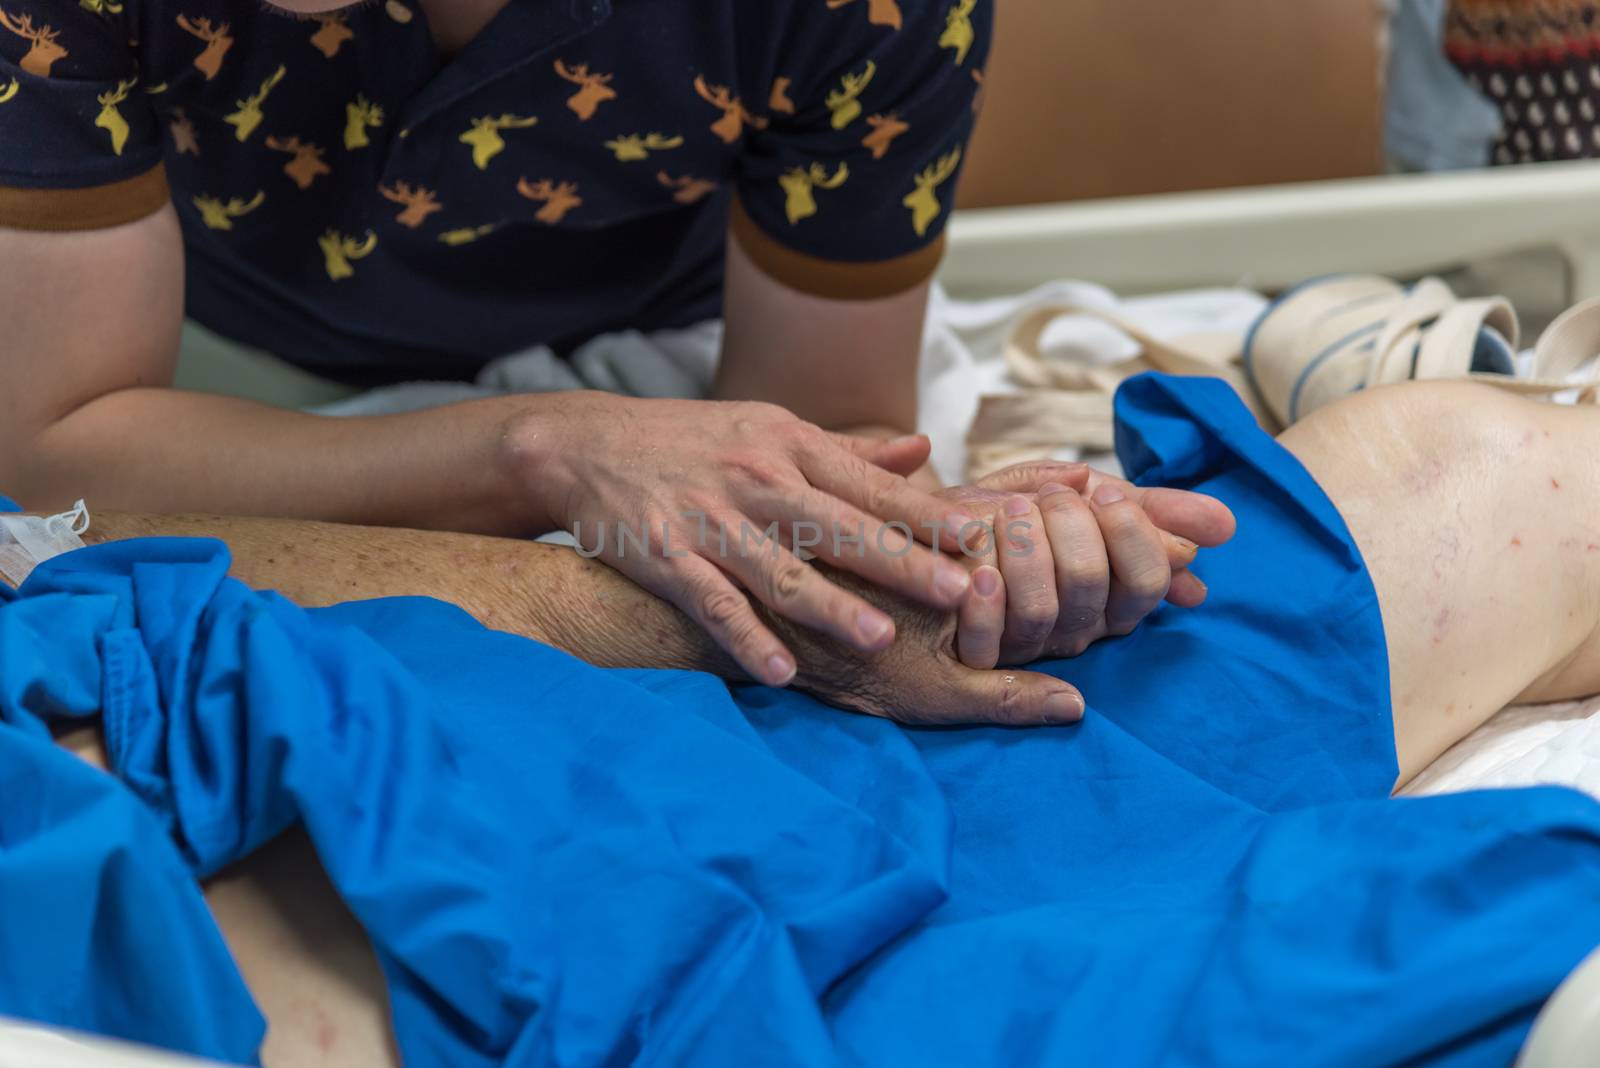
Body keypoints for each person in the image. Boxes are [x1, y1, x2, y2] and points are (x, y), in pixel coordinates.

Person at [14, 372, 1600, 1063]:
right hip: (651, 973)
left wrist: (821, 576)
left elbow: (82, 555)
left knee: (1473, 471)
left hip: (666, 704)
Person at [0, 0, 1239, 693]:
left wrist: (961, 554)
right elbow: (60, 461)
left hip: (683, 351)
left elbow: (828, 437)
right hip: (213, 376)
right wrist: (545, 450)